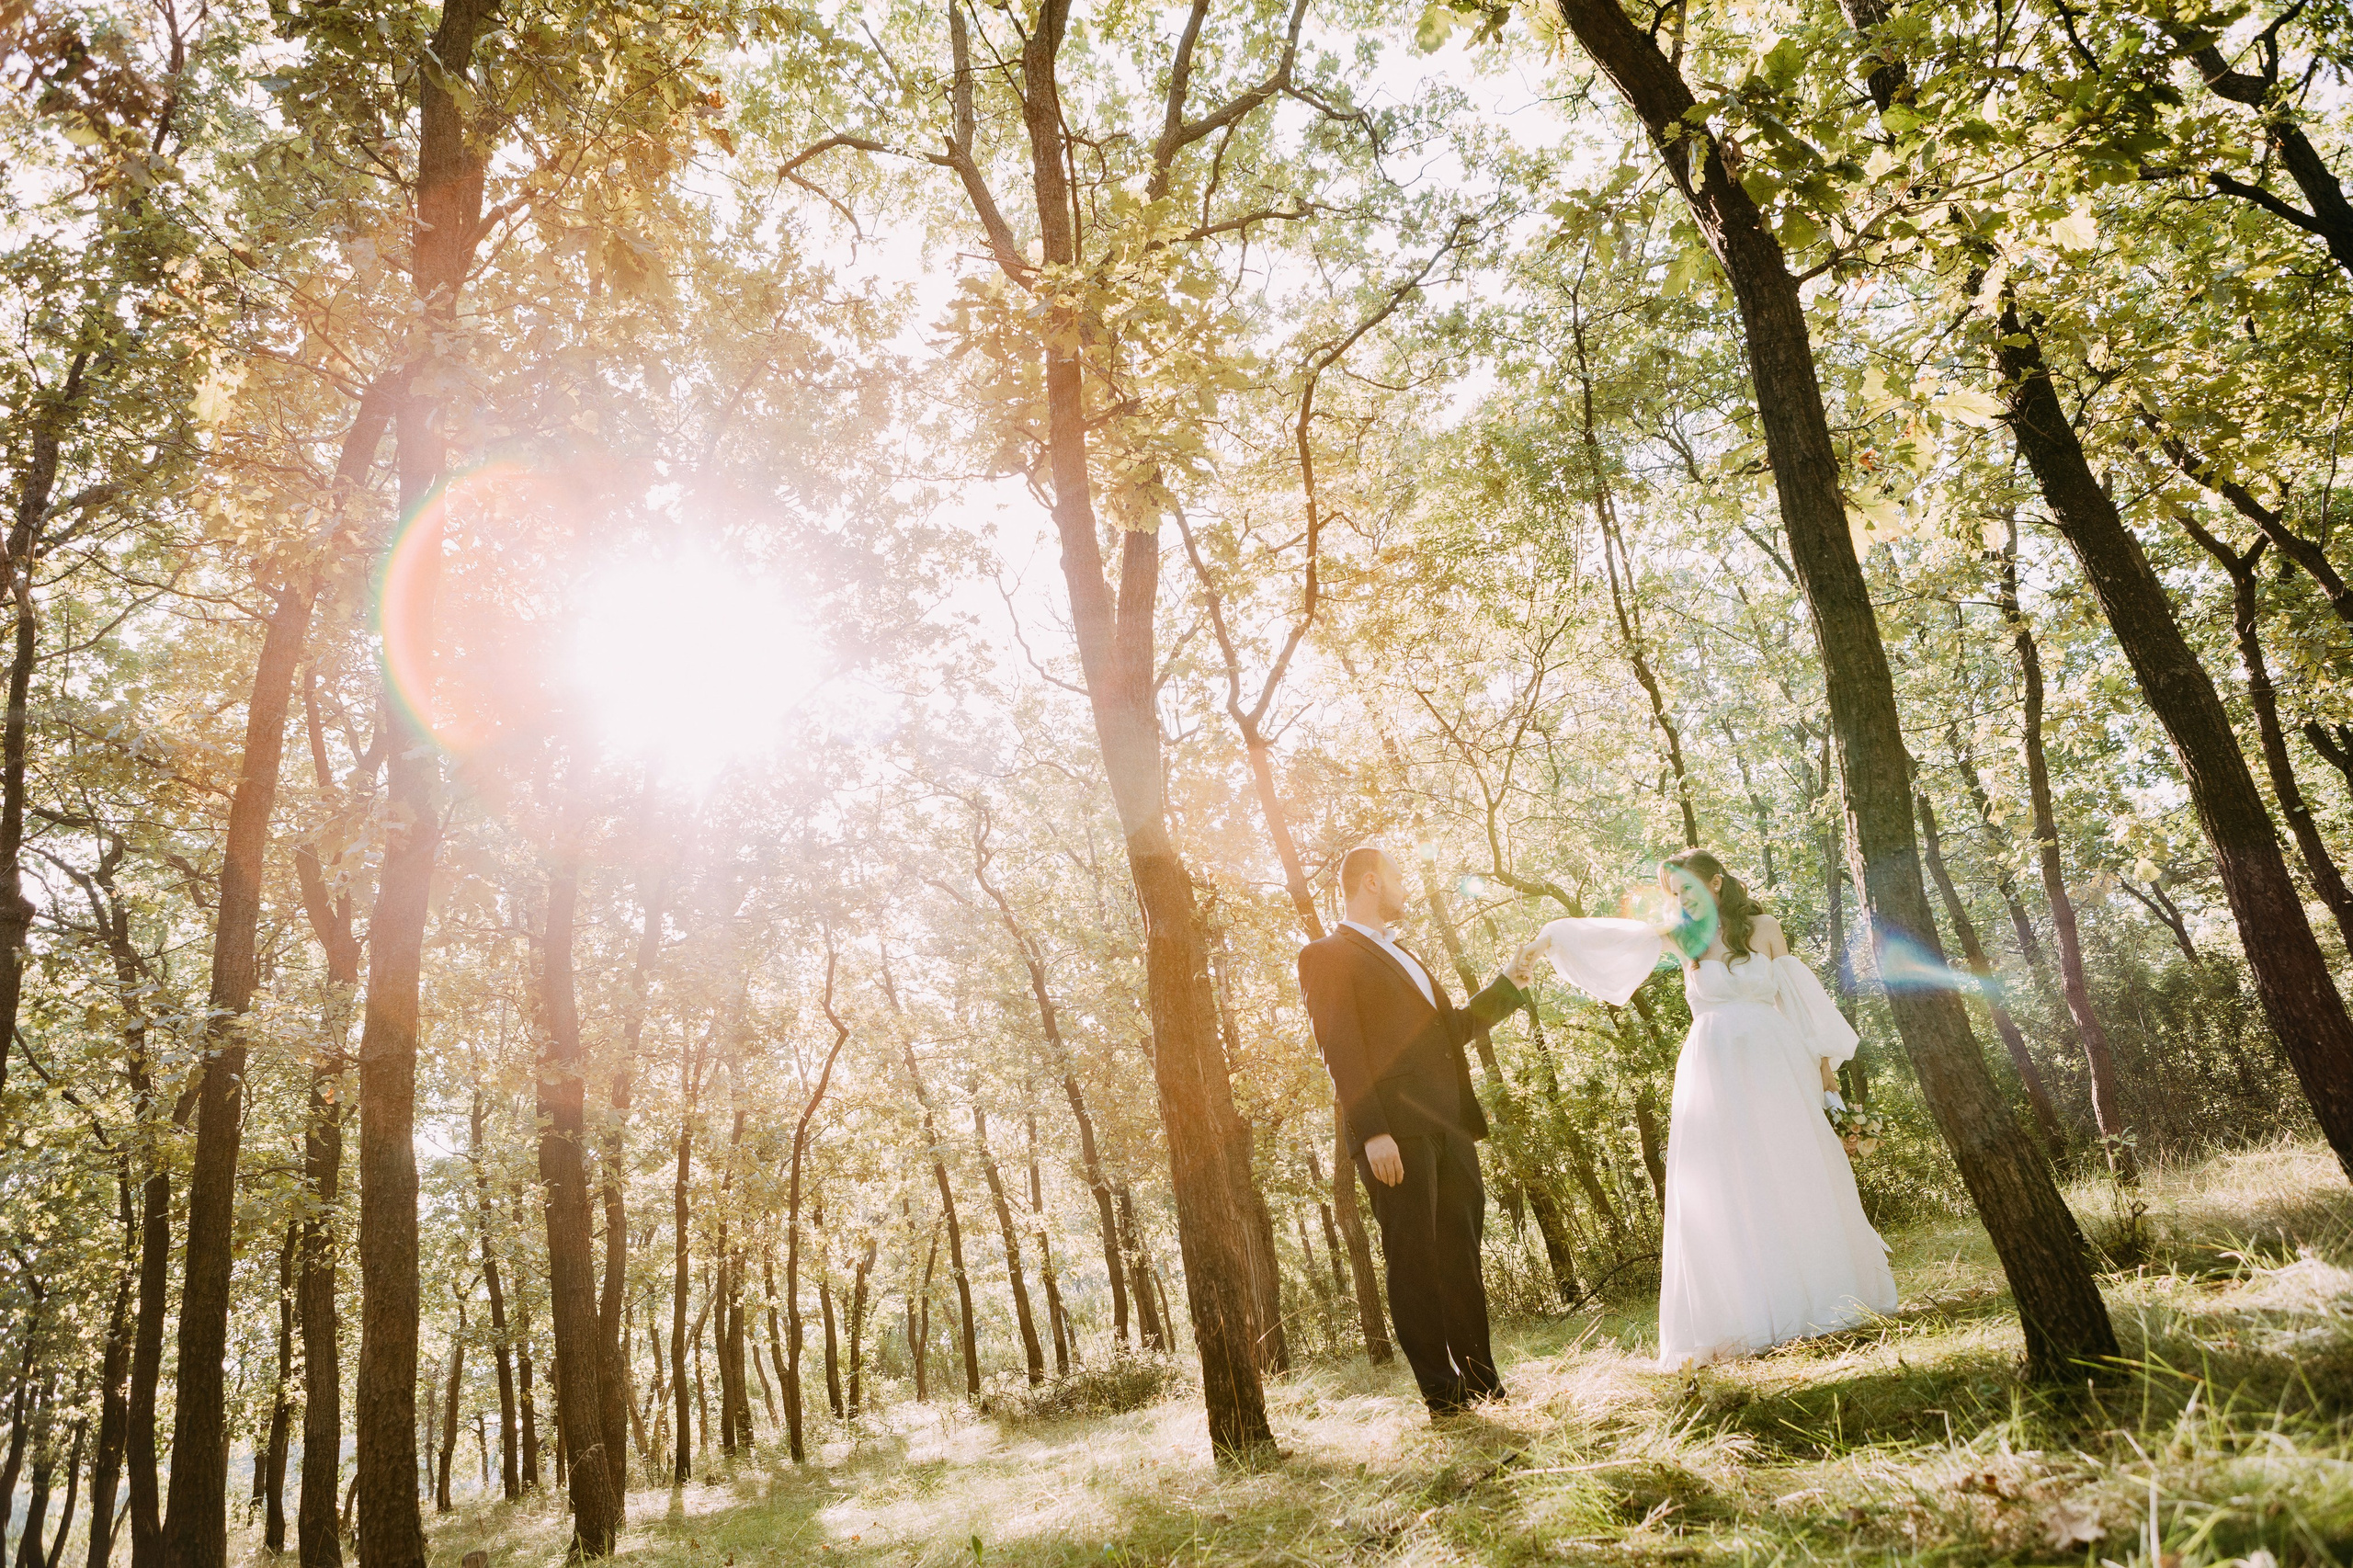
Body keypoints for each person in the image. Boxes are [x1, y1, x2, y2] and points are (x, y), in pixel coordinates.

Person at [1524, 847, 1899, 1367]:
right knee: (1732, 1177)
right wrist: (1550, 938)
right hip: (1713, 1069)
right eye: (1672, 895)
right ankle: (1751, 1312)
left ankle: (1826, 1297)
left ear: (1716, 883)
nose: (1679, 901)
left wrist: (1826, 1075)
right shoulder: (1683, 938)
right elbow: (1615, 939)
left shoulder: (1764, 928)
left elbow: (1796, 1003)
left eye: (1686, 890)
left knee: (1793, 1167)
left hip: (1776, 1061)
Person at [1295, 846, 1540, 1417]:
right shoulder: (1324, 955)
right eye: (1400, 878)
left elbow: (1448, 1031)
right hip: (1396, 1136)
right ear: (1373, 882)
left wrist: (1507, 984)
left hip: (1448, 1124)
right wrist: (1373, 1132)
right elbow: (1341, 1048)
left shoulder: (1404, 954)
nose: (1408, 889)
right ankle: (1442, 1395)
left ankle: (1483, 1384)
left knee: (1461, 1255)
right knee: (1413, 1259)